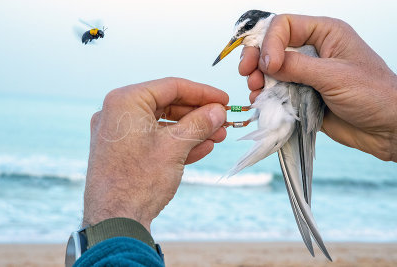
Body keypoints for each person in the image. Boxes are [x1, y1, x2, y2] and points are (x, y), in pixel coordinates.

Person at [71, 14, 397, 266]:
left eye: (243, 32)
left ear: (263, 24)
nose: (237, 41)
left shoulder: (297, 49)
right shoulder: (271, 49)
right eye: (236, 36)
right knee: (260, 110)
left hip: (291, 115)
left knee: (268, 118)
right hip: (282, 111)